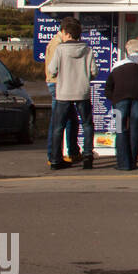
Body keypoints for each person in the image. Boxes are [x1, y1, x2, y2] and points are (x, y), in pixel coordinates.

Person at [47, 18, 97, 170]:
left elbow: (52, 70)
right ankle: (88, 155)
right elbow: (94, 72)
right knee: (87, 124)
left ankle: (55, 160)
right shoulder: (88, 50)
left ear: (67, 34)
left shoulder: (60, 50)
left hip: (63, 92)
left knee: (58, 127)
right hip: (82, 92)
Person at [105, 39, 138, 171]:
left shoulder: (117, 66)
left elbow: (108, 87)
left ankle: (122, 163)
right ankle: (132, 161)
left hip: (119, 101)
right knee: (135, 128)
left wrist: (114, 99)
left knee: (120, 130)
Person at [44, 22, 81, 167]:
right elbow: (54, 68)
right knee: (57, 122)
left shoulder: (57, 43)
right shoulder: (57, 45)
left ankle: (72, 151)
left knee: (70, 120)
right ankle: (54, 155)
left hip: (60, 85)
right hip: (58, 85)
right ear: (66, 32)